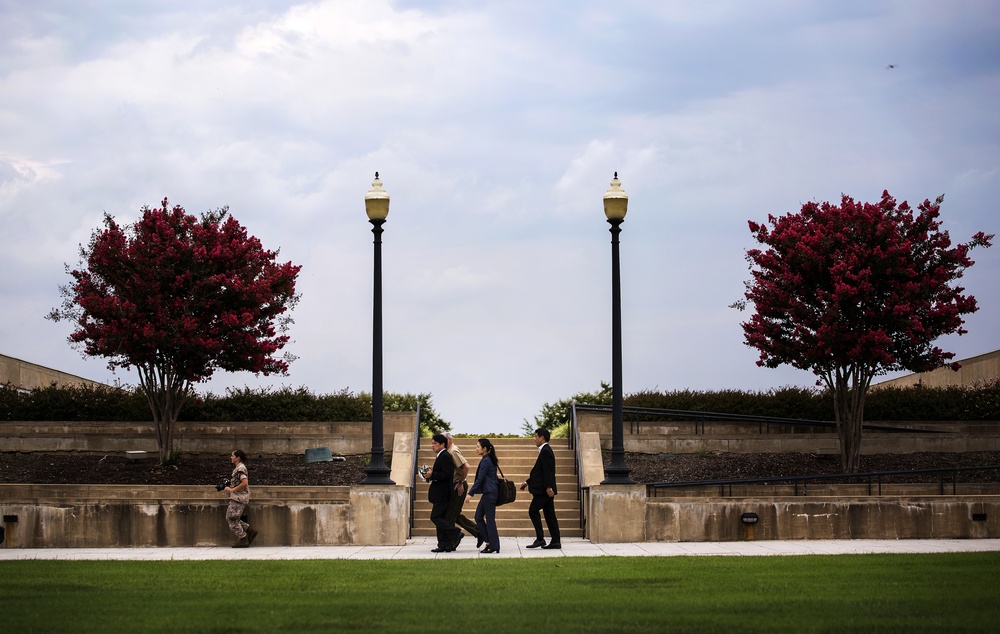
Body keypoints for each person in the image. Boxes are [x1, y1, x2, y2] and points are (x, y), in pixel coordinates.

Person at [520, 428, 560, 549]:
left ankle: (540, 539)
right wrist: (527, 482)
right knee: (549, 514)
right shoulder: (544, 451)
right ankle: (555, 541)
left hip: (544, 490)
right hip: (544, 489)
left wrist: (548, 487)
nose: (535, 439)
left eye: (536, 436)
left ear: (542, 438)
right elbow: (539, 472)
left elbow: (548, 471)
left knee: (533, 510)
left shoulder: (546, 451)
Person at [422, 434, 462, 553]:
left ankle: (455, 533)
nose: (432, 446)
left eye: (435, 443)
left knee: (435, 517)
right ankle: (444, 544)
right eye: (432, 443)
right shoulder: (441, 455)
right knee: (441, 518)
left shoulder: (445, 456)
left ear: (442, 444)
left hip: (443, 493)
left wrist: (432, 475)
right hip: (440, 492)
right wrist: (429, 475)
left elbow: (447, 474)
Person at [444, 432, 481, 548]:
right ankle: (478, 532)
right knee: (454, 515)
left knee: (451, 515)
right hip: (455, 484)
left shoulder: (453, 451)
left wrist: (460, 482)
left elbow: (466, 466)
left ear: (448, 440)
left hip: (457, 485)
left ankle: (453, 540)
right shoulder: (450, 450)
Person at [465, 438, 500, 553]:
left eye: (478, 447)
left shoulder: (486, 460)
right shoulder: (488, 459)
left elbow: (480, 479)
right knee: (479, 517)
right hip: (489, 492)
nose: (476, 449)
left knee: (489, 519)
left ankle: (493, 545)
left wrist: (470, 493)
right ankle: (490, 542)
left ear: (484, 449)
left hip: (490, 493)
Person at [223, 449, 257, 548]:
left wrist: (232, 489)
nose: (231, 457)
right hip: (237, 497)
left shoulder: (241, 468)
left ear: (238, 457)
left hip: (239, 498)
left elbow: (244, 482)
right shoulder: (238, 468)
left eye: (233, 456)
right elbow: (239, 481)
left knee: (231, 518)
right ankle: (250, 531)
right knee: (233, 518)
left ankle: (243, 538)